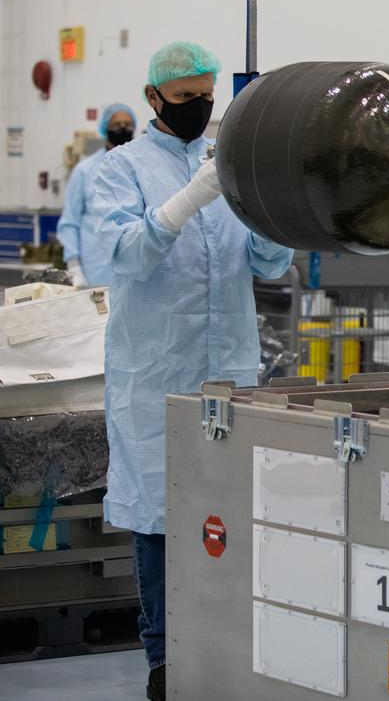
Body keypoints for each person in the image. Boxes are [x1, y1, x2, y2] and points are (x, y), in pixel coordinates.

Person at [91, 42, 294, 701]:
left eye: (207, 95)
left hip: (229, 372)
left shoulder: (223, 165)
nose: (201, 107)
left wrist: (261, 201)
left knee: (232, 511)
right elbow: (122, 255)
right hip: (155, 375)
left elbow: (268, 266)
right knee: (158, 519)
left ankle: (230, 649)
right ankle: (164, 661)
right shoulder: (116, 172)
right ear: (153, 99)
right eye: (185, 98)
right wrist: (188, 199)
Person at [57, 103, 136, 286]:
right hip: (94, 268)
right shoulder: (84, 170)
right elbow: (70, 221)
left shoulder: (142, 167)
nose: (123, 128)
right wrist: (74, 265)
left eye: (127, 123)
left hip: (133, 269)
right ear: (105, 128)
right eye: (117, 125)